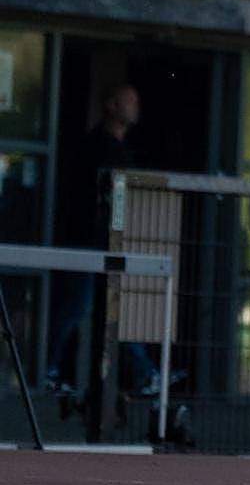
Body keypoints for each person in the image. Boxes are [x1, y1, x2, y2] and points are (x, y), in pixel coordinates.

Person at [46, 83, 168, 398]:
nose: (135, 106)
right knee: (76, 308)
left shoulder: (119, 148)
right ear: (112, 106)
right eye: (129, 100)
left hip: (109, 243)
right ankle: (47, 368)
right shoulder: (99, 147)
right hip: (88, 241)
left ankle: (143, 374)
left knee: (119, 307)